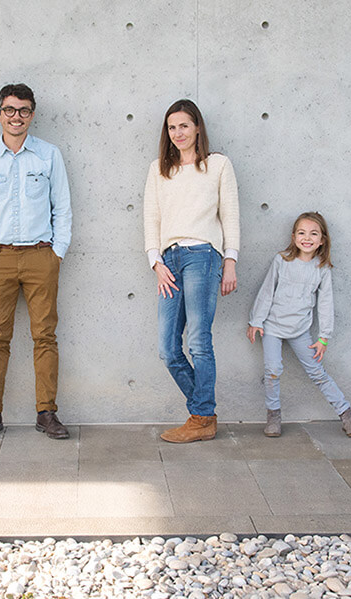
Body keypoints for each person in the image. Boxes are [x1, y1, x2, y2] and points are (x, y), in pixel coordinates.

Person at [0, 83, 72, 440]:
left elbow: (63, 207)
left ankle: (47, 412)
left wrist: (57, 253)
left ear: (32, 115)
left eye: (24, 110)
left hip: (42, 256)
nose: (16, 117)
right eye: (9, 110)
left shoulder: (48, 155)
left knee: (45, 336)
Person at [143, 99, 240, 443]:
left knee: (199, 340)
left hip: (203, 256)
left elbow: (229, 215)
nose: (178, 133)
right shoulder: (159, 169)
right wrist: (156, 261)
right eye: (172, 127)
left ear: (197, 127)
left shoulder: (217, 165)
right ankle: (204, 414)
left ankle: (200, 419)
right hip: (169, 260)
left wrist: (230, 261)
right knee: (168, 348)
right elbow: (151, 218)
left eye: (184, 125)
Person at [247, 212, 351, 437]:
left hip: (300, 330)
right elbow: (267, 291)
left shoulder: (322, 268)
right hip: (272, 327)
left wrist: (324, 337)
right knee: (272, 370)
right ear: (293, 237)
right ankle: (273, 416)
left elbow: (326, 304)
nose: (307, 238)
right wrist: (256, 320)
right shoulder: (282, 260)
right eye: (301, 233)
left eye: (313, 233)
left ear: (322, 240)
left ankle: (346, 415)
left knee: (318, 373)